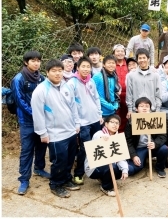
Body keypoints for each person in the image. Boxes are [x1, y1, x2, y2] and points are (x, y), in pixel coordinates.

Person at [31, 59, 81, 198]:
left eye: (60, 70)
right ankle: (56, 184)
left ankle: (66, 180)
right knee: (59, 160)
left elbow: (73, 106)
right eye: (54, 71)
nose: (57, 73)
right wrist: (42, 133)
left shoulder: (67, 86)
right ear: (47, 72)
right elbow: (38, 114)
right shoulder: (40, 90)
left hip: (70, 130)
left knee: (70, 158)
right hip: (55, 134)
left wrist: (77, 124)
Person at [13, 51, 48, 195]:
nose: (36, 63)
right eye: (33, 60)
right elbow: (19, 101)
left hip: (42, 120)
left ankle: (39, 168)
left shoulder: (42, 78)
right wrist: (36, 114)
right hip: (27, 120)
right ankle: (24, 179)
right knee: (27, 149)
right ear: (26, 62)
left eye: (38, 60)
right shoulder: (18, 79)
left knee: (42, 145)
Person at [66, 57, 103, 185]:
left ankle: (96, 170)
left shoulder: (91, 81)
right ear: (78, 67)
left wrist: (99, 114)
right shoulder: (72, 83)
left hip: (95, 119)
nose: (86, 69)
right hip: (83, 122)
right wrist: (77, 122)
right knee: (85, 148)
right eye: (84, 66)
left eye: (88, 67)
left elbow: (97, 98)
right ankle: (79, 173)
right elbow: (70, 105)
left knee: (97, 146)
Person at [84, 114, 129, 196]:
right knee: (110, 167)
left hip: (108, 166)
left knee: (119, 171)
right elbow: (97, 138)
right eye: (112, 122)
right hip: (93, 168)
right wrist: (103, 137)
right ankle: (106, 187)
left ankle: (104, 178)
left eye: (117, 123)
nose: (115, 125)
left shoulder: (118, 138)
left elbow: (121, 157)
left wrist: (125, 170)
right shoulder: (99, 133)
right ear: (106, 124)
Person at [125, 97, 168, 178]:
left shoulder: (156, 119)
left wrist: (155, 144)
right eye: (141, 106)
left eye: (147, 106)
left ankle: (160, 168)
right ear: (136, 109)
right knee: (131, 170)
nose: (144, 108)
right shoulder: (131, 121)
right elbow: (128, 141)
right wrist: (133, 155)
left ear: (150, 108)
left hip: (152, 146)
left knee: (164, 149)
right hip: (139, 148)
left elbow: (163, 136)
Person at [126, 49, 162, 116]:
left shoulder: (155, 75)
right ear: (137, 60)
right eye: (140, 58)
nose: (142, 60)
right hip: (136, 111)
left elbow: (158, 93)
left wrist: (158, 109)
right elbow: (129, 93)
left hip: (152, 111)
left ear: (148, 59)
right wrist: (130, 109)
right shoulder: (131, 75)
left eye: (144, 58)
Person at [93, 54, 121, 121]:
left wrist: (116, 104)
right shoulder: (97, 77)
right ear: (104, 65)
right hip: (101, 113)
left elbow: (115, 92)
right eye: (109, 63)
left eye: (113, 63)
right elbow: (94, 95)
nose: (111, 65)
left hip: (113, 111)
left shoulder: (115, 76)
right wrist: (109, 106)